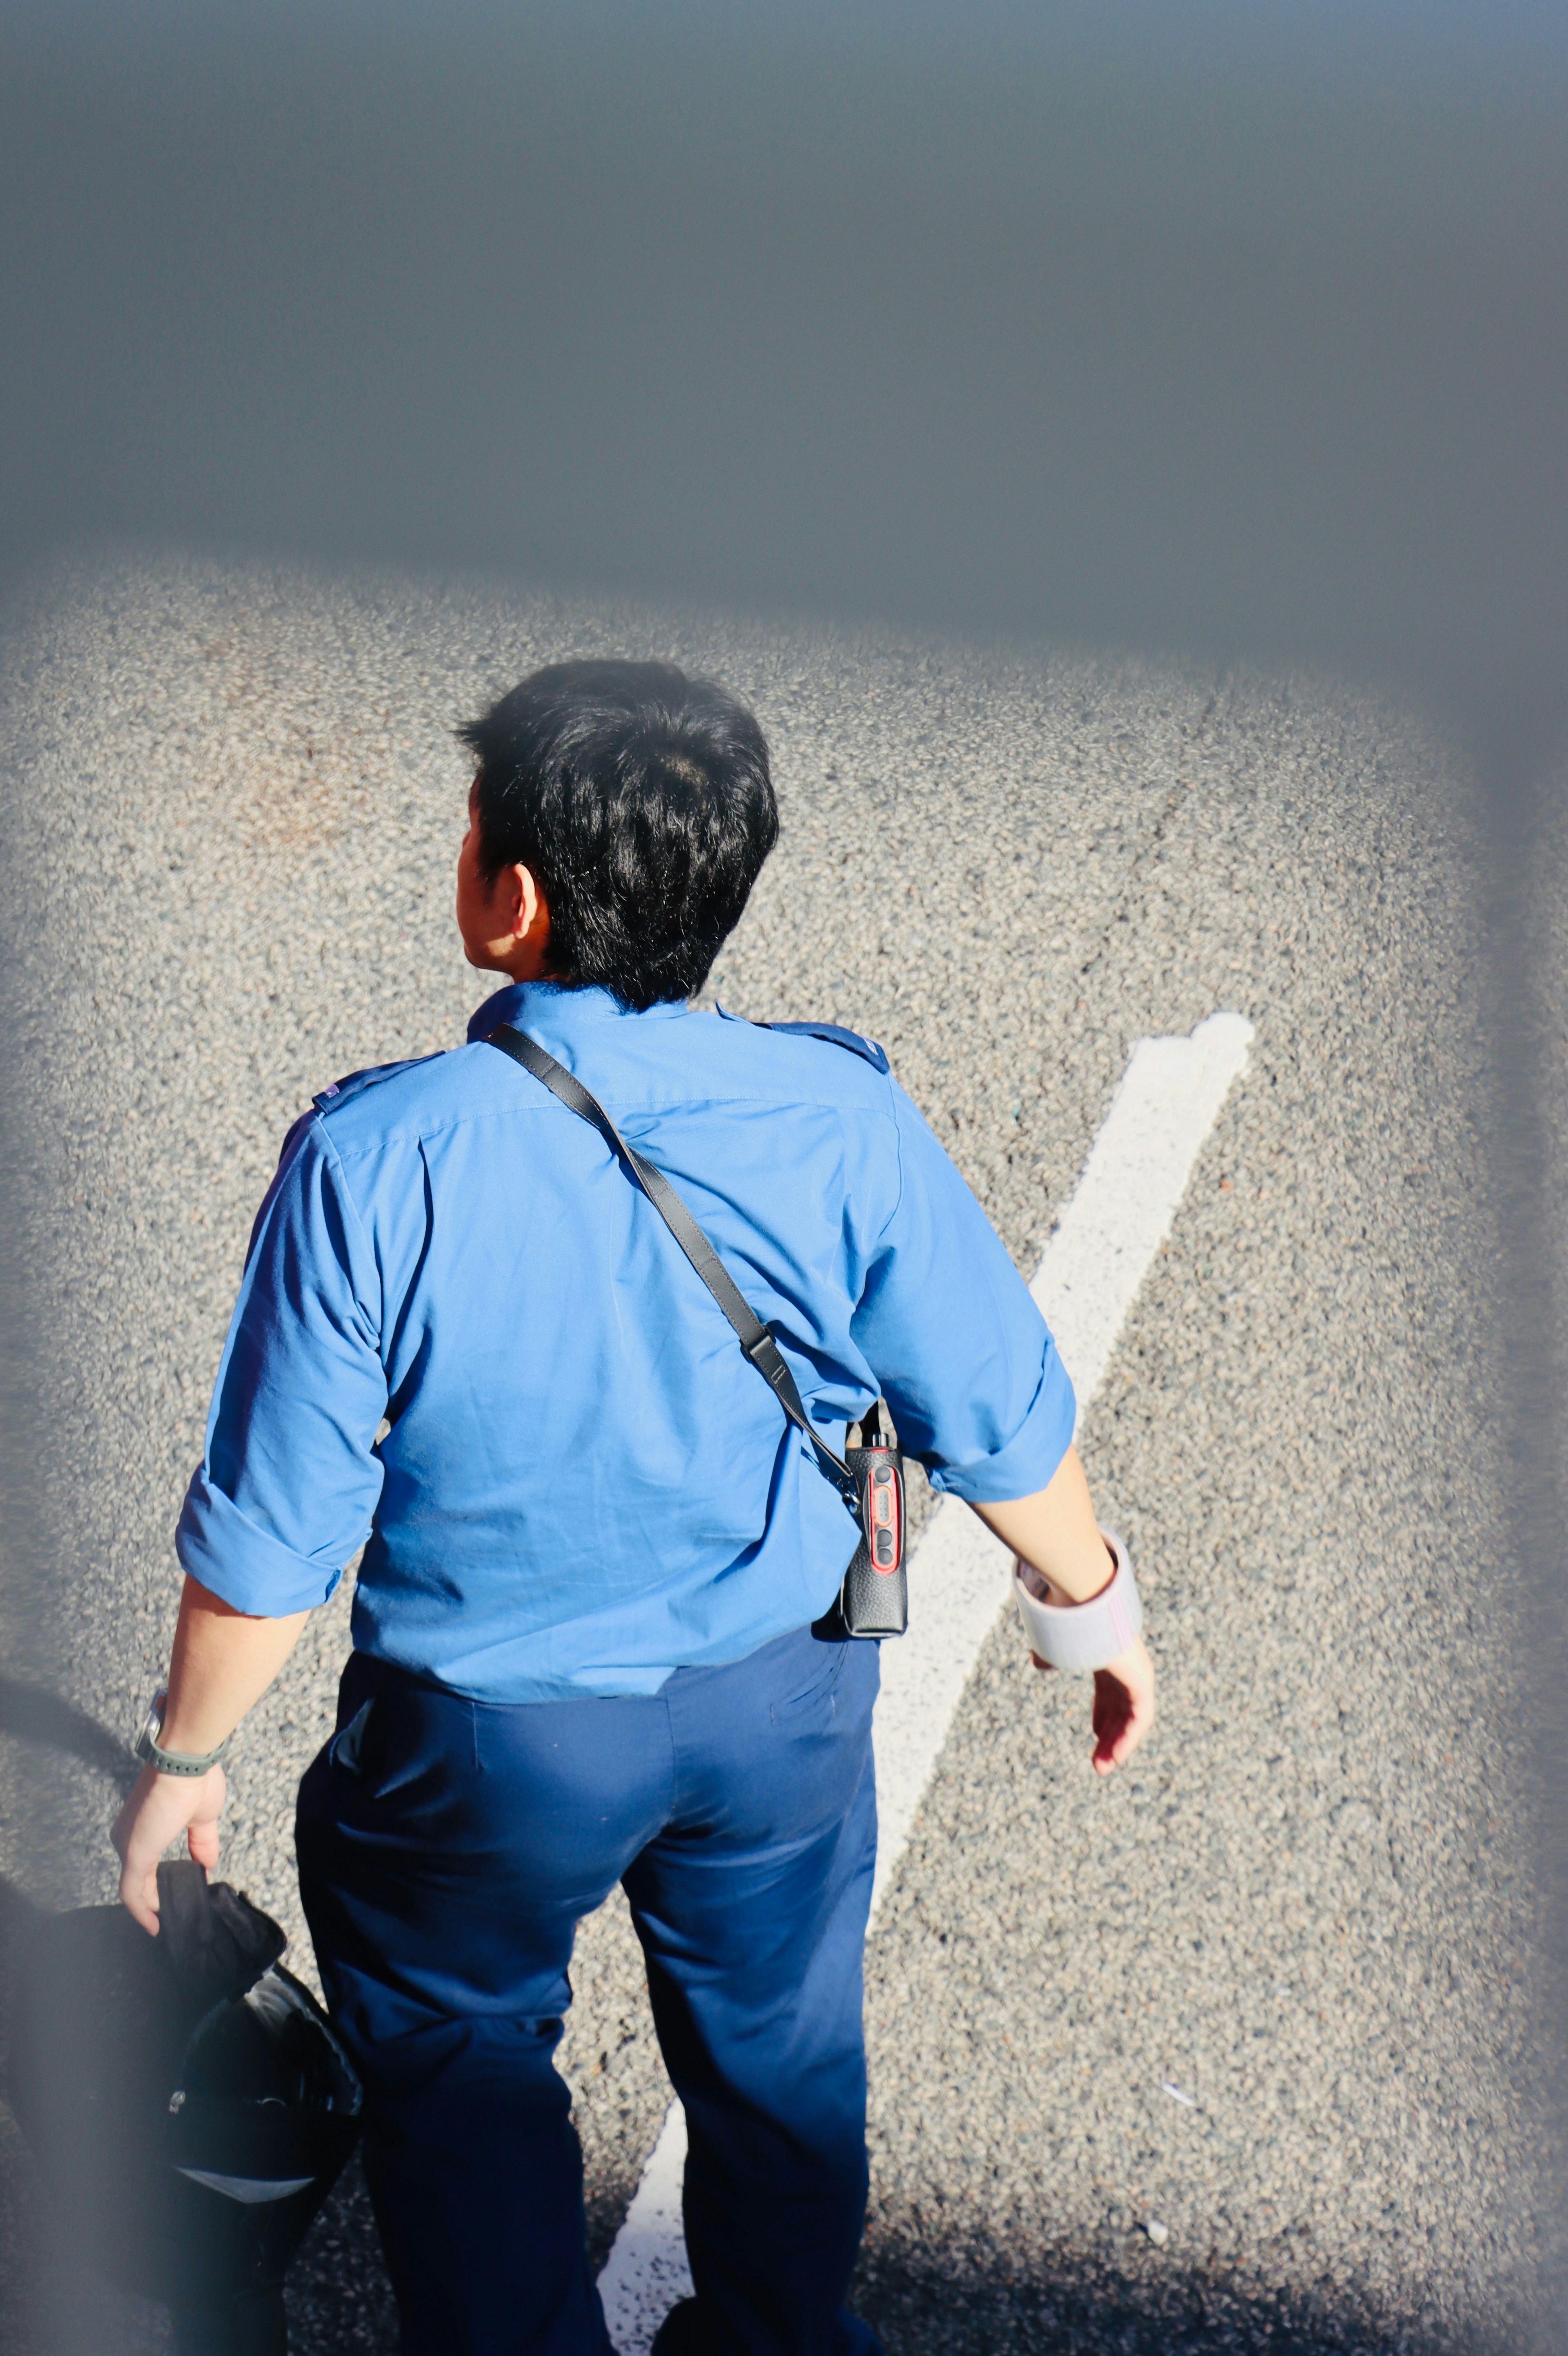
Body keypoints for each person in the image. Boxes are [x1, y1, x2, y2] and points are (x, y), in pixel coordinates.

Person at [113, 658, 1154, 2356]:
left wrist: (180, 1766)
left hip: (487, 1748)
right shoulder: (838, 1111)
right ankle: (778, 2335)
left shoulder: (378, 1159)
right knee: (780, 2049)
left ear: (506, 895)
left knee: (458, 2067)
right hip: (782, 1701)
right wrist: (1089, 1608)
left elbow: (270, 1540)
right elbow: (989, 1400)